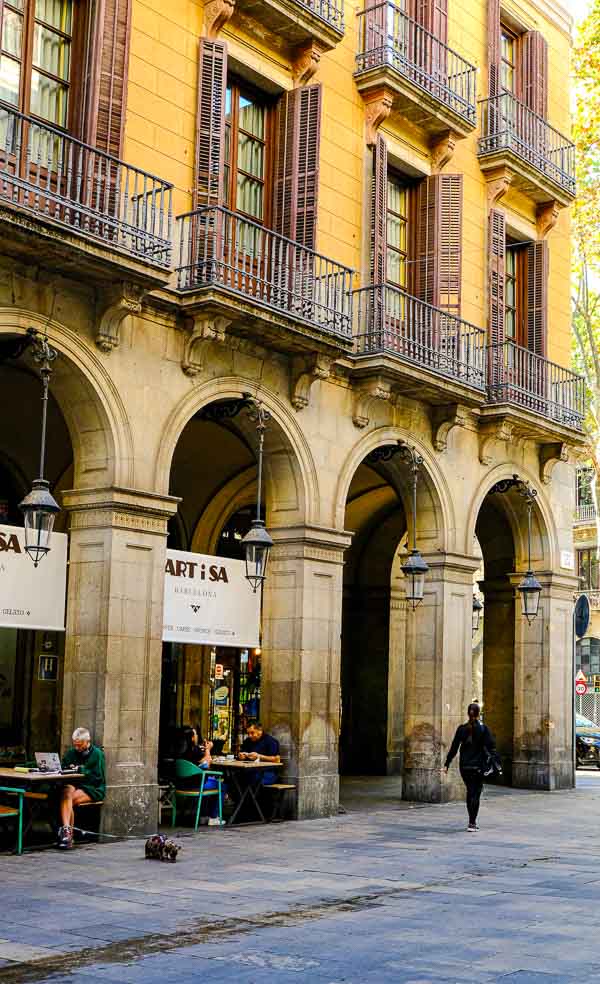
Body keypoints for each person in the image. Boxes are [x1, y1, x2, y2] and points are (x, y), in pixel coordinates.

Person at [444, 703, 501, 832]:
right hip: (478, 766)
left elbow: (454, 748)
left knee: (470, 792)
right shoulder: (483, 729)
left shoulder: (461, 729)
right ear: (478, 713)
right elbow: (492, 746)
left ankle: (471, 822)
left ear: (468, 713)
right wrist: (496, 762)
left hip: (464, 766)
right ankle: (472, 823)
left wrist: (447, 764)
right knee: (476, 793)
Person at [58, 728, 106, 850]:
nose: (77, 748)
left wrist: (81, 769)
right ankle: (67, 832)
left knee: (69, 800)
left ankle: (67, 835)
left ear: (87, 741)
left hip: (92, 787)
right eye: (75, 745)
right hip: (74, 784)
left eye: (80, 745)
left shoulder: (97, 754)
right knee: (66, 792)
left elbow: (97, 777)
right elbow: (62, 767)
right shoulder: (71, 752)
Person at [176, 726, 223, 825]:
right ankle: (213, 817)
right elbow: (207, 763)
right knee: (222, 785)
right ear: (192, 738)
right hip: (196, 786)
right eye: (196, 734)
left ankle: (202, 815)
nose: (197, 736)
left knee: (211, 782)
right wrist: (208, 749)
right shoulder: (194, 750)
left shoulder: (179, 751)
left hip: (182, 785)